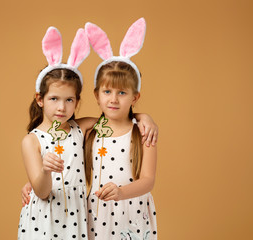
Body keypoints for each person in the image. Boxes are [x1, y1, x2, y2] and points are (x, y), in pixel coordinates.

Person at [18, 25, 158, 239]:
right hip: (58, 218)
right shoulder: (44, 138)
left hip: (97, 215)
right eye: (54, 99)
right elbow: (46, 185)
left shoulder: (86, 128)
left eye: (69, 100)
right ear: (40, 99)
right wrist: (39, 177)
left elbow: (118, 122)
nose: (61, 107)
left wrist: (144, 117)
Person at [84, 18, 157, 239]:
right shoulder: (90, 129)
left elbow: (148, 180)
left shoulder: (143, 133)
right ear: (96, 95)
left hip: (132, 211)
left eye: (122, 93)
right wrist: (35, 178)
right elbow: (54, 137)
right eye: (107, 92)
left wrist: (121, 192)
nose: (113, 99)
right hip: (96, 212)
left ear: (135, 97)